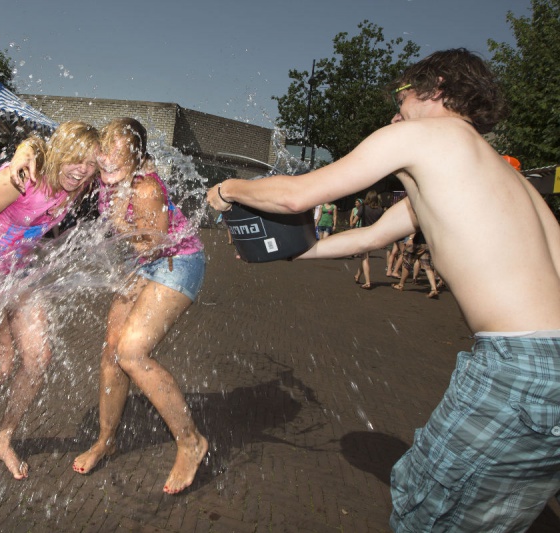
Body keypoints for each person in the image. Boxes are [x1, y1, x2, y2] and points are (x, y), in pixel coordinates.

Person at [207, 48, 560, 531]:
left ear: (435, 86)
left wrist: (229, 189)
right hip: (548, 373)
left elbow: (296, 194)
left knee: (429, 512)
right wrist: (283, 250)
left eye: (401, 93)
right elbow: (370, 238)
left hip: (518, 370)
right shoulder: (501, 174)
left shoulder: (422, 136)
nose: (395, 110)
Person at [0, 121, 100, 480]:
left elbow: (37, 145)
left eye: (90, 164)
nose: (82, 169)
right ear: (60, 153)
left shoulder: (76, 185)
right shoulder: (18, 179)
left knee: (38, 358)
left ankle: (3, 439)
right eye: (76, 159)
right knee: (0, 364)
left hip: (18, 271)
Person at [68, 118, 208, 495]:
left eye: (118, 149)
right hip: (142, 262)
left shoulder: (144, 189)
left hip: (176, 262)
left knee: (132, 352)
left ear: (136, 155)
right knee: (111, 351)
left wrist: (112, 229)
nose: (108, 156)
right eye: (105, 147)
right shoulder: (103, 179)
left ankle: (191, 442)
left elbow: (155, 243)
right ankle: (106, 439)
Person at [392, 230, 440, 298]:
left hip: (415, 243)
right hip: (425, 244)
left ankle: (401, 285)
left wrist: (411, 238)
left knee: (406, 264)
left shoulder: (418, 219)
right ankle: (433, 288)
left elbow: (415, 227)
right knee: (427, 267)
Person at [352, 190, 384, 289]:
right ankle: (357, 275)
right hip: (374, 235)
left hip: (365, 234)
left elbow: (354, 221)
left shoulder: (363, 208)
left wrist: (352, 227)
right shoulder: (380, 209)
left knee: (365, 258)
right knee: (364, 256)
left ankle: (367, 282)